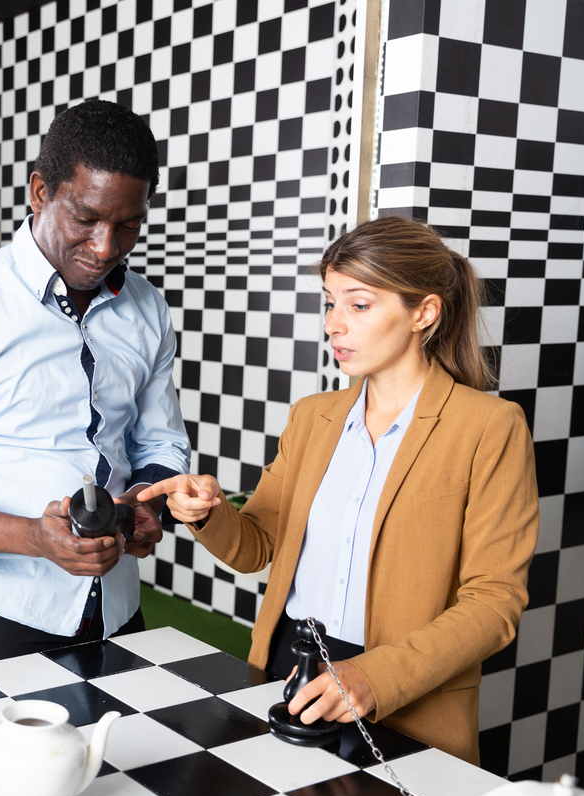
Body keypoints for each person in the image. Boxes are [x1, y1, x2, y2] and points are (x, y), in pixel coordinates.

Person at [139, 215, 538, 763]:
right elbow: (258, 547)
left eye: (359, 304)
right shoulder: (313, 417)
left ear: (424, 312)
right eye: (330, 303)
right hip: (288, 667)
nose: (334, 324)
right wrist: (205, 511)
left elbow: (495, 602)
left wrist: (375, 676)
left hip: (406, 691)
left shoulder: (489, 427)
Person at [0, 100, 192, 670]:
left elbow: (161, 443)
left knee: (126, 756)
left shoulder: (148, 308)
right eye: (86, 218)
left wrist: (151, 506)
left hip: (115, 603)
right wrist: (36, 537)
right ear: (40, 192)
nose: (105, 246)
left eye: (127, 226)